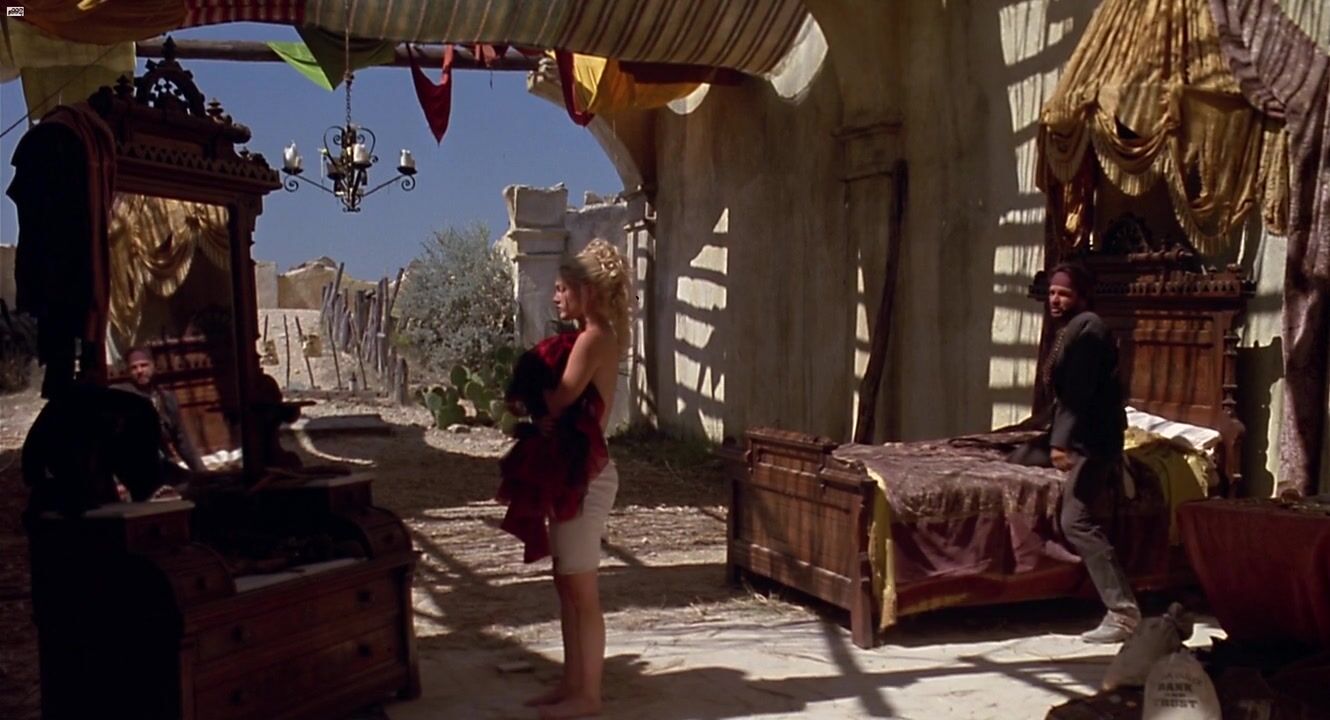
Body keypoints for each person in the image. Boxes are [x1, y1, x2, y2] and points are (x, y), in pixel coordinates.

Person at [520, 239, 633, 719]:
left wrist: (528, 385)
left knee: (582, 592)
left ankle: (588, 695)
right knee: (566, 583)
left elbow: (560, 398)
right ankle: (571, 683)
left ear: (586, 290)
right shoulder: (594, 336)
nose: (556, 296)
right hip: (573, 472)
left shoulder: (592, 339)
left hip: (586, 476)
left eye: (563, 288)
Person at [1011, 263, 1137, 643]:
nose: (1055, 299)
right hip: (1074, 433)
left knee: (1075, 521)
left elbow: (1077, 395)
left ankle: (1123, 612)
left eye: (1064, 294)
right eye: (1052, 292)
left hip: (1093, 444)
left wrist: (1059, 445)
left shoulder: (1089, 330)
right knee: (1017, 458)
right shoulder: (1069, 330)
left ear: (1082, 296)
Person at [112, 347, 207, 478]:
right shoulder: (120, 396)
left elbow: (182, 441)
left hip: (163, 465)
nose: (139, 371)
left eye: (144, 365)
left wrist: (203, 472)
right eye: (134, 368)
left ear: (153, 366)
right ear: (128, 372)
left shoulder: (166, 398)